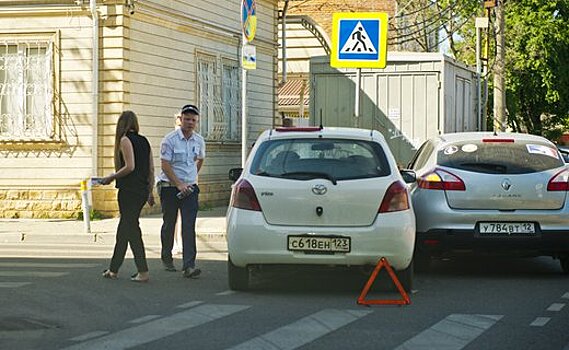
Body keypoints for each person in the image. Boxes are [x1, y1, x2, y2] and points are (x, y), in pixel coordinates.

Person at [100, 110, 155, 283]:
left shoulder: (124, 140)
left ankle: (143, 271)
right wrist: (150, 191)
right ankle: (113, 269)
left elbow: (130, 166)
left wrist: (111, 177)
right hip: (140, 191)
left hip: (129, 191)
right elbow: (151, 169)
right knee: (124, 230)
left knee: (131, 230)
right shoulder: (144, 141)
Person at [157, 104, 205, 278]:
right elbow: (165, 165)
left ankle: (189, 265)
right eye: (187, 119)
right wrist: (178, 183)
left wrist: (190, 178)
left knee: (188, 225)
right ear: (180, 120)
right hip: (170, 187)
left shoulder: (199, 140)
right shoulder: (169, 139)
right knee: (169, 223)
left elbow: (199, 160)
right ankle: (167, 257)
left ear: (197, 122)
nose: (190, 123)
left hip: (190, 188)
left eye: (193, 120)